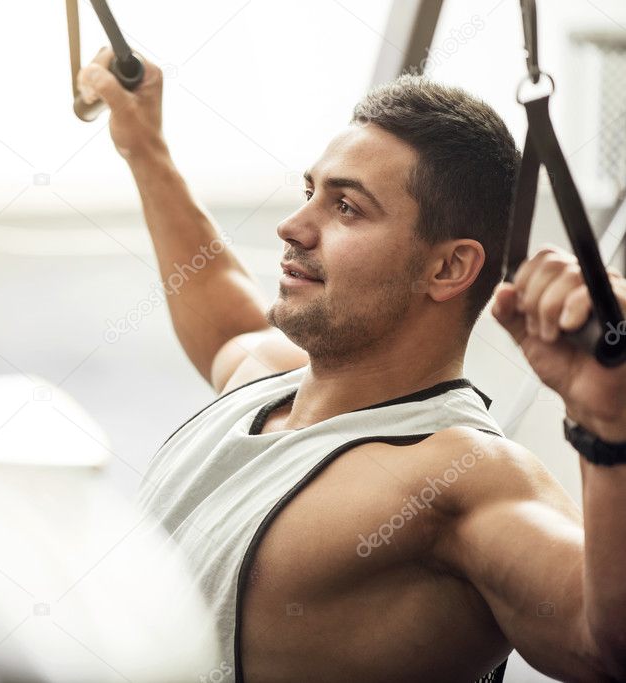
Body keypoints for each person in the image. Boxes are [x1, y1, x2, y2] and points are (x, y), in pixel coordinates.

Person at [77, 47, 626, 682]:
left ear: (448, 268)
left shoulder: (461, 477)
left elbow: (604, 647)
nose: (291, 226)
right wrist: (143, 146)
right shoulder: (266, 378)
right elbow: (223, 313)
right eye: (309, 192)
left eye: (346, 208)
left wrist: (608, 424)